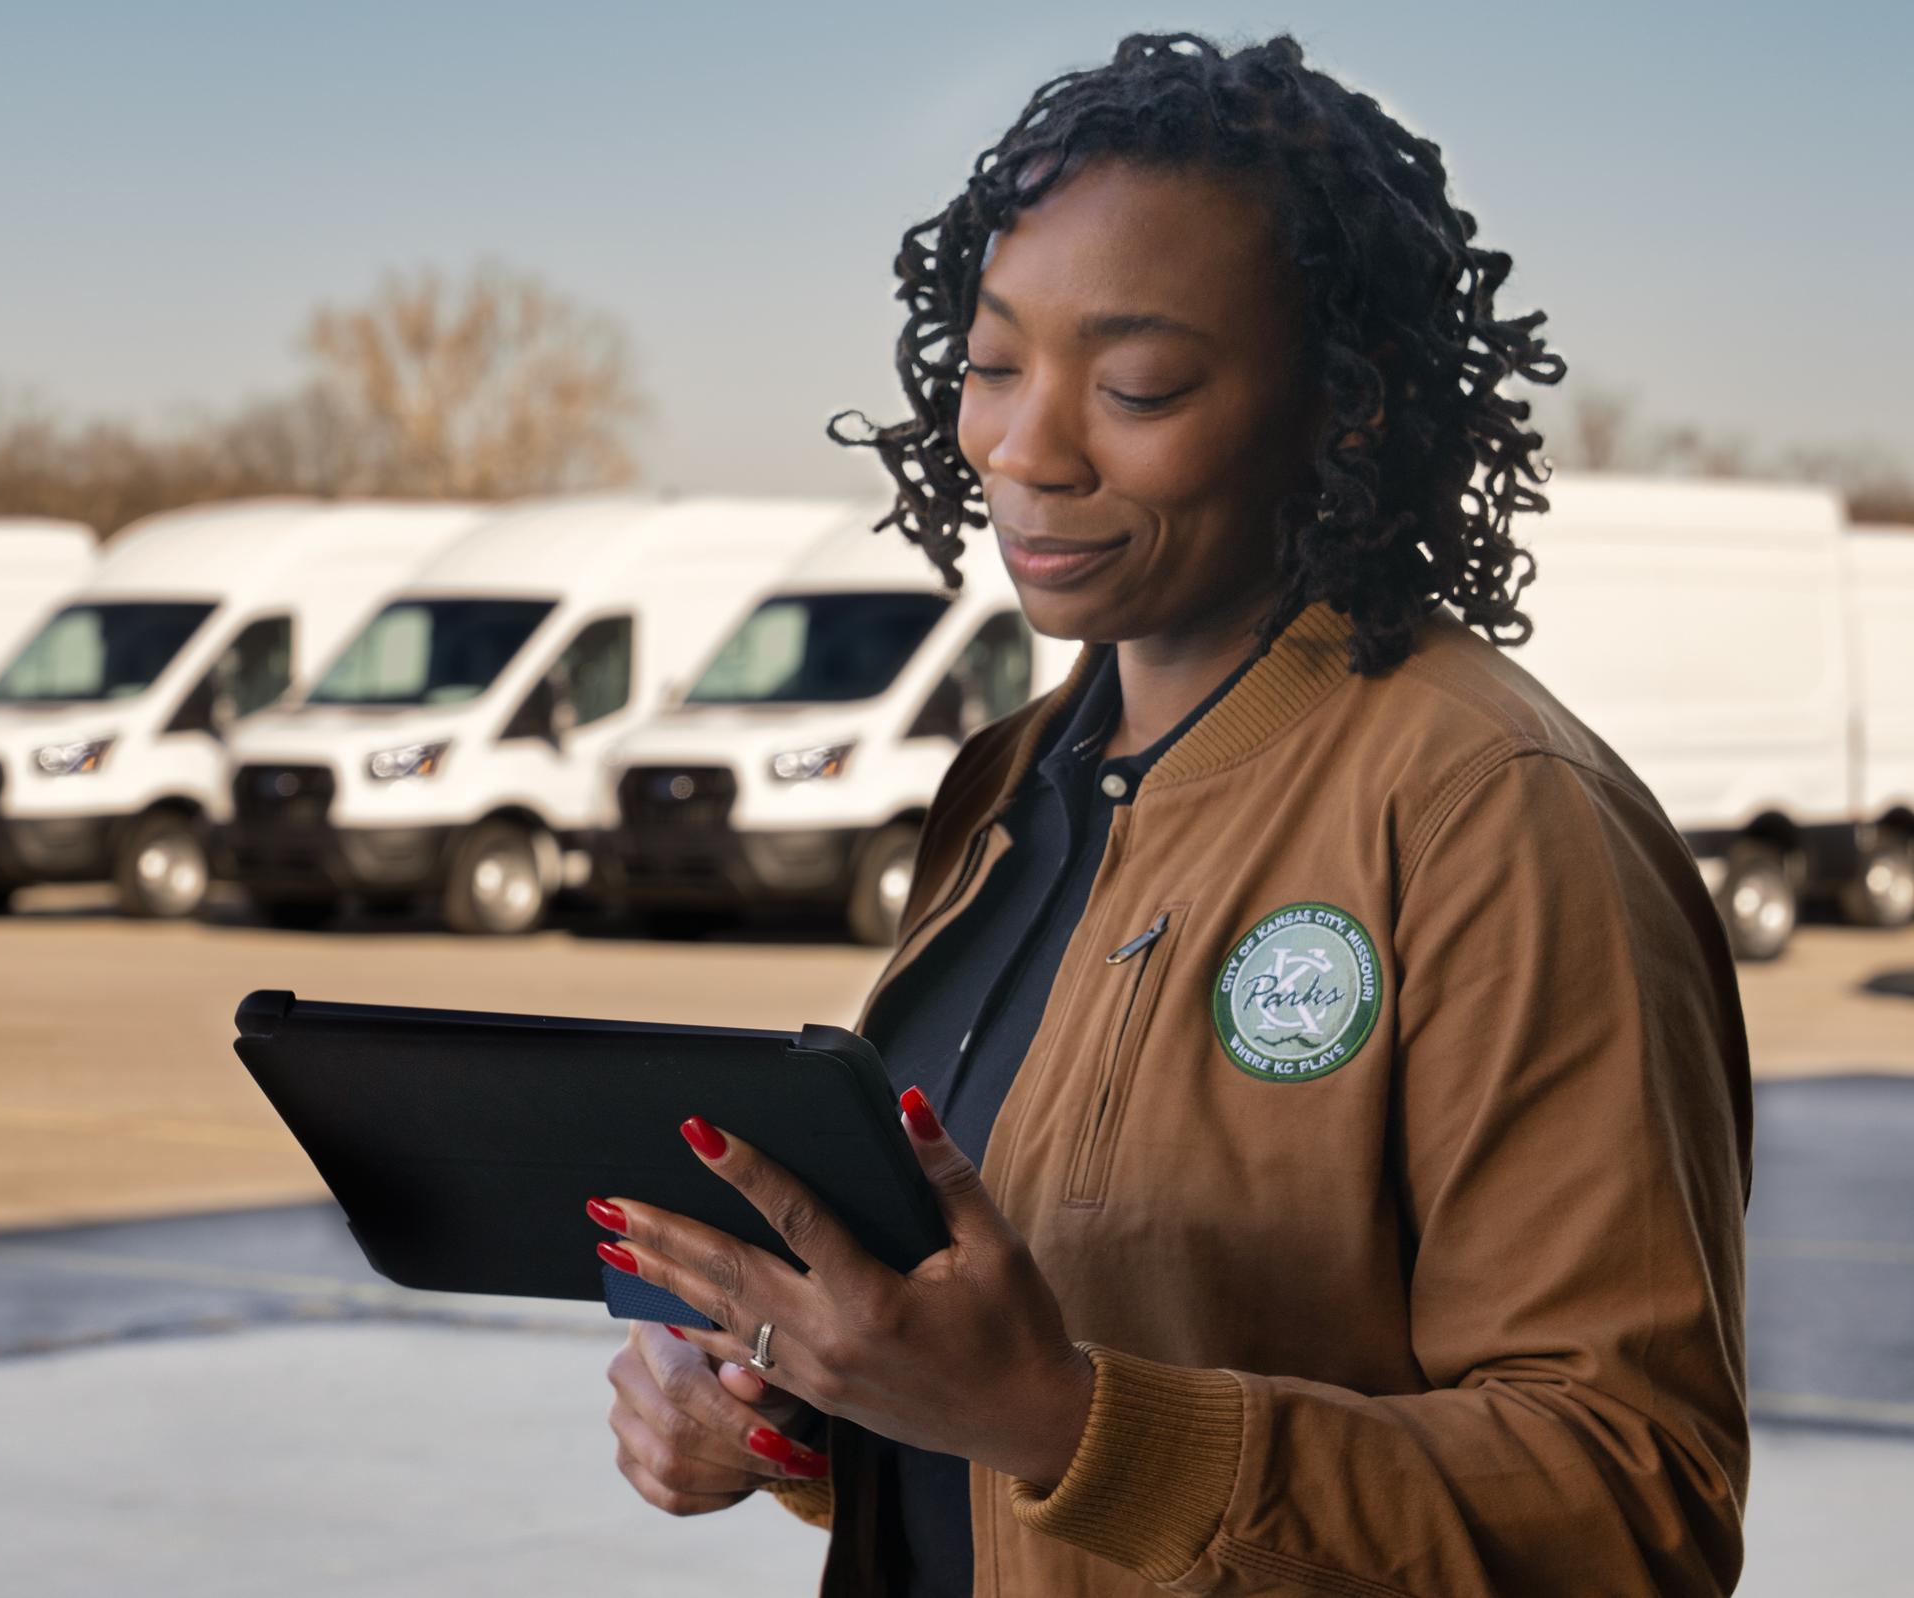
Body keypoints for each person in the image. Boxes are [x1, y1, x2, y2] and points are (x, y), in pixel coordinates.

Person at [593, 33, 1753, 1597]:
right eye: (993, 364)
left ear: (1345, 412)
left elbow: (1634, 1503)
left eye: (1136, 385)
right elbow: (979, 1409)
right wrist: (789, 1407)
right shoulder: (1005, 792)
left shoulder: (1492, 816)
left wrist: (1070, 1421)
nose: (1023, 447)